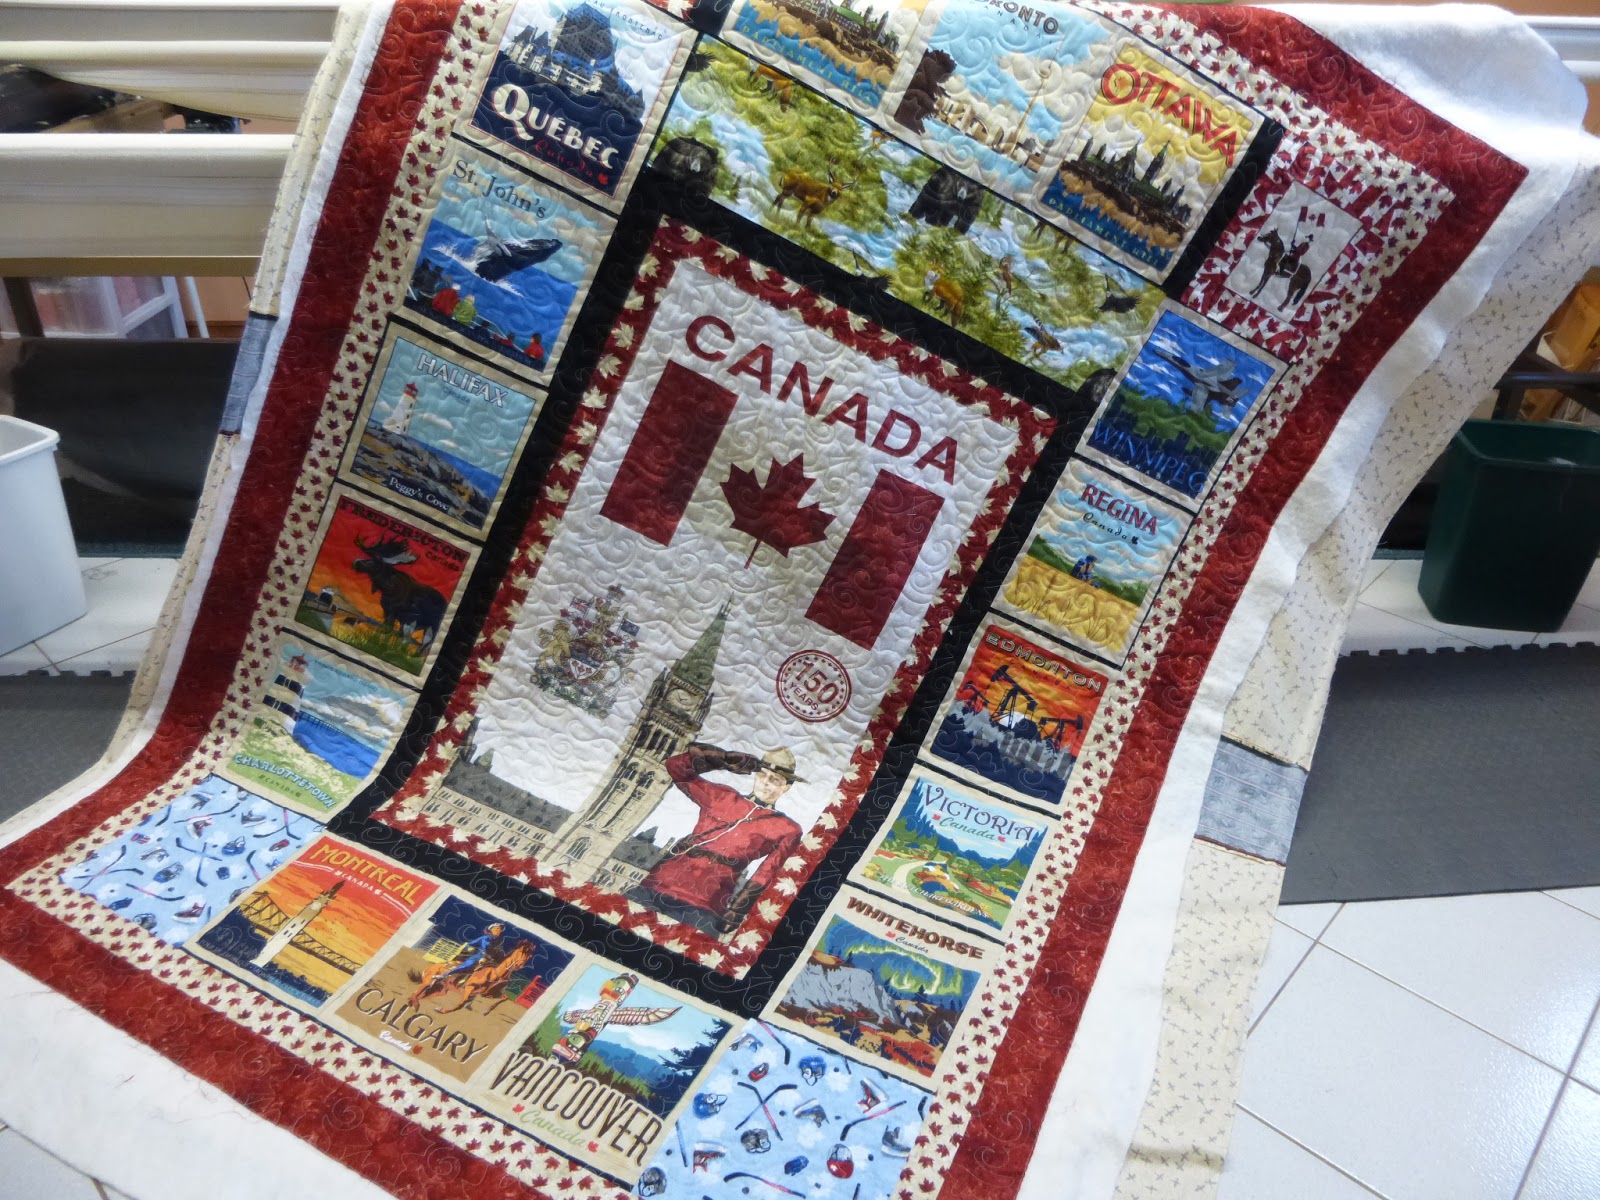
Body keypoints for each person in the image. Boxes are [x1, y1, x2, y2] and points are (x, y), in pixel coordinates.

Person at [627, 744, 803, 937]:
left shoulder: (788, 828)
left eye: (775, 780)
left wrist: (736, 912)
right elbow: (675, 767)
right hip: (659, 883)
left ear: (785, 787)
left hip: (707, 902)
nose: (765, 783)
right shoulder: (722, 796)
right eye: (762, 775)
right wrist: (725, 759)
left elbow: (765, 874)